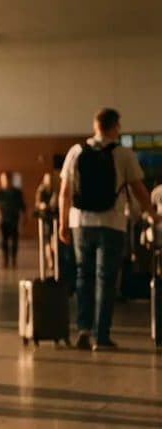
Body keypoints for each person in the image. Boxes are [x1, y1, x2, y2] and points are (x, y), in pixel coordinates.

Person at [59, 108, 155, 351]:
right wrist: (153, 215)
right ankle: (101, 336)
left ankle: (83, 329)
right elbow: (139, 191)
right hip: (112, 223)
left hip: (80, 222)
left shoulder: (76, 152)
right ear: (115, 127)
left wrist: (62, 224)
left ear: (95, 125)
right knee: (106, 280)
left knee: (84, 276)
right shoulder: (123, 154)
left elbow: (64, 193)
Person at [0, 171, 27, 267]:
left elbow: (23, 206)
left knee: (14, 241)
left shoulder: (17, 192)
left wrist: (24, 218)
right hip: (3, 220)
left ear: (11, 180)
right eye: (3, 179)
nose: (5, 181)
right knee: (4, 241)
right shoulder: (0, 192)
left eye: (7, 179)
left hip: (14, 220)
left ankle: (13, 259)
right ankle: (5, 259)